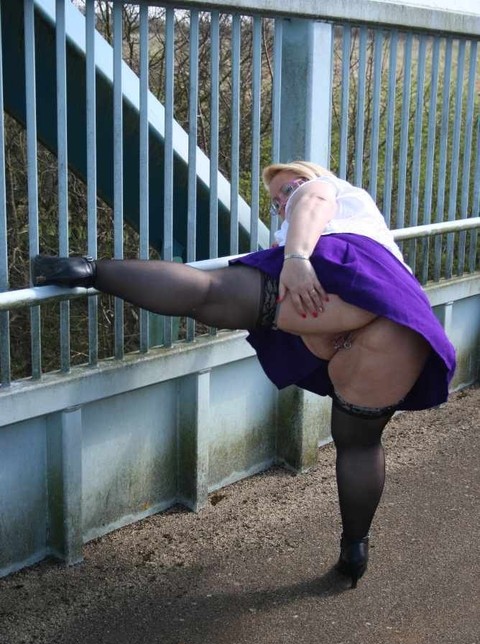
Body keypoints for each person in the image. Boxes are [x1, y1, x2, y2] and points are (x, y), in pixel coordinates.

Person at [32, 160, 456, 589]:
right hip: (395, 332)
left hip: (348, 276)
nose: (281, 203)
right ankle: (355, 548)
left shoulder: (327, 193)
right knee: (360, 444)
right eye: (274, 201)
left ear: (308, 175)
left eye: (284, 189)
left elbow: (312, 198)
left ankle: (89, 270)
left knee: (209, 293)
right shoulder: (365, 223)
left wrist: (295, 257)